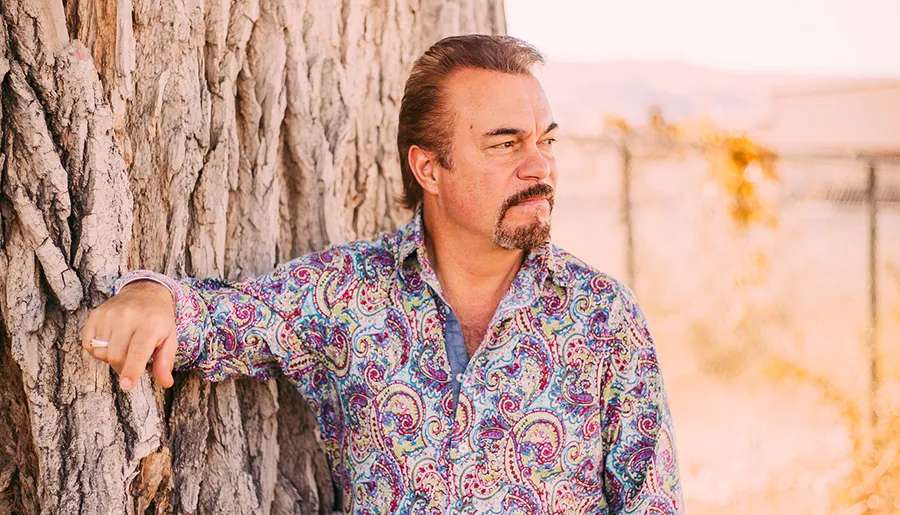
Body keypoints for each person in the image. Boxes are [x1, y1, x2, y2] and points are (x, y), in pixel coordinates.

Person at [82, 35, 682, 514]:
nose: (539, 166)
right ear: (429, 167)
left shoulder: (603, 316)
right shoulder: (348, 294)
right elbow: (224, 318)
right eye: (505, 145)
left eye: (545, 141)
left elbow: (651, 503)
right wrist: (149, 294)